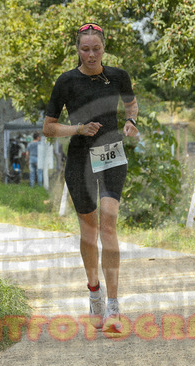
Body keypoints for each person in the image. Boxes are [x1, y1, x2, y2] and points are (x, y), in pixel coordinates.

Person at [43, 22, 139, 331]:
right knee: (89, 230)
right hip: (80, 159)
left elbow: (131, 104)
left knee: (109, 225)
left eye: (96, 48)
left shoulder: (118, 76)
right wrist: (78, 129)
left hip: (111, 155)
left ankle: (113, 307)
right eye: (85, 49)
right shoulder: (66, 81)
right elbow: (48, 127)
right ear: (78, 50)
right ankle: (94, 293)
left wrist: (131, 122)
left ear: (104, 48)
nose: (91, 55)